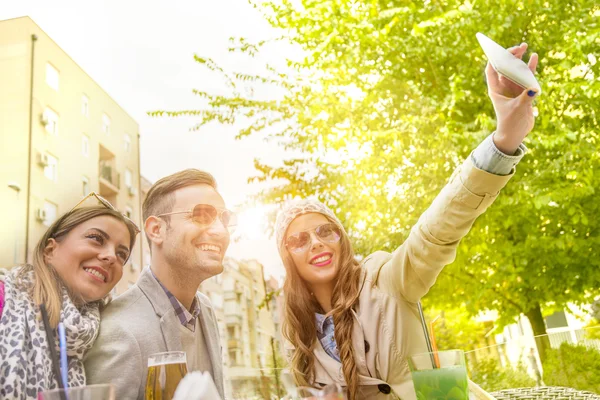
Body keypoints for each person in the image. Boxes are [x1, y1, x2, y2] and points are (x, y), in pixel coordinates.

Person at [274, 44, 540, 400]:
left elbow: (437, 230)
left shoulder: (383, 279)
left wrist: (503, 141)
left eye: (326, 231)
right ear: (287, 258)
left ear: (342, 239)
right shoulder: (300, 338)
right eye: (299, 240)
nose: (316, 243)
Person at [85, 169, 235, 400]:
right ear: (156, 230)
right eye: (201, 215)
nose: (220, 231)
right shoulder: (119, 331)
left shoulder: (204, 310)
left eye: (223, 220)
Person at [0, 193, 139, 399]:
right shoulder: (5, 299)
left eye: (121, 254)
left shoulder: (104, 329)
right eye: (96, 238)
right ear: (50, 250)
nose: (111, 256)